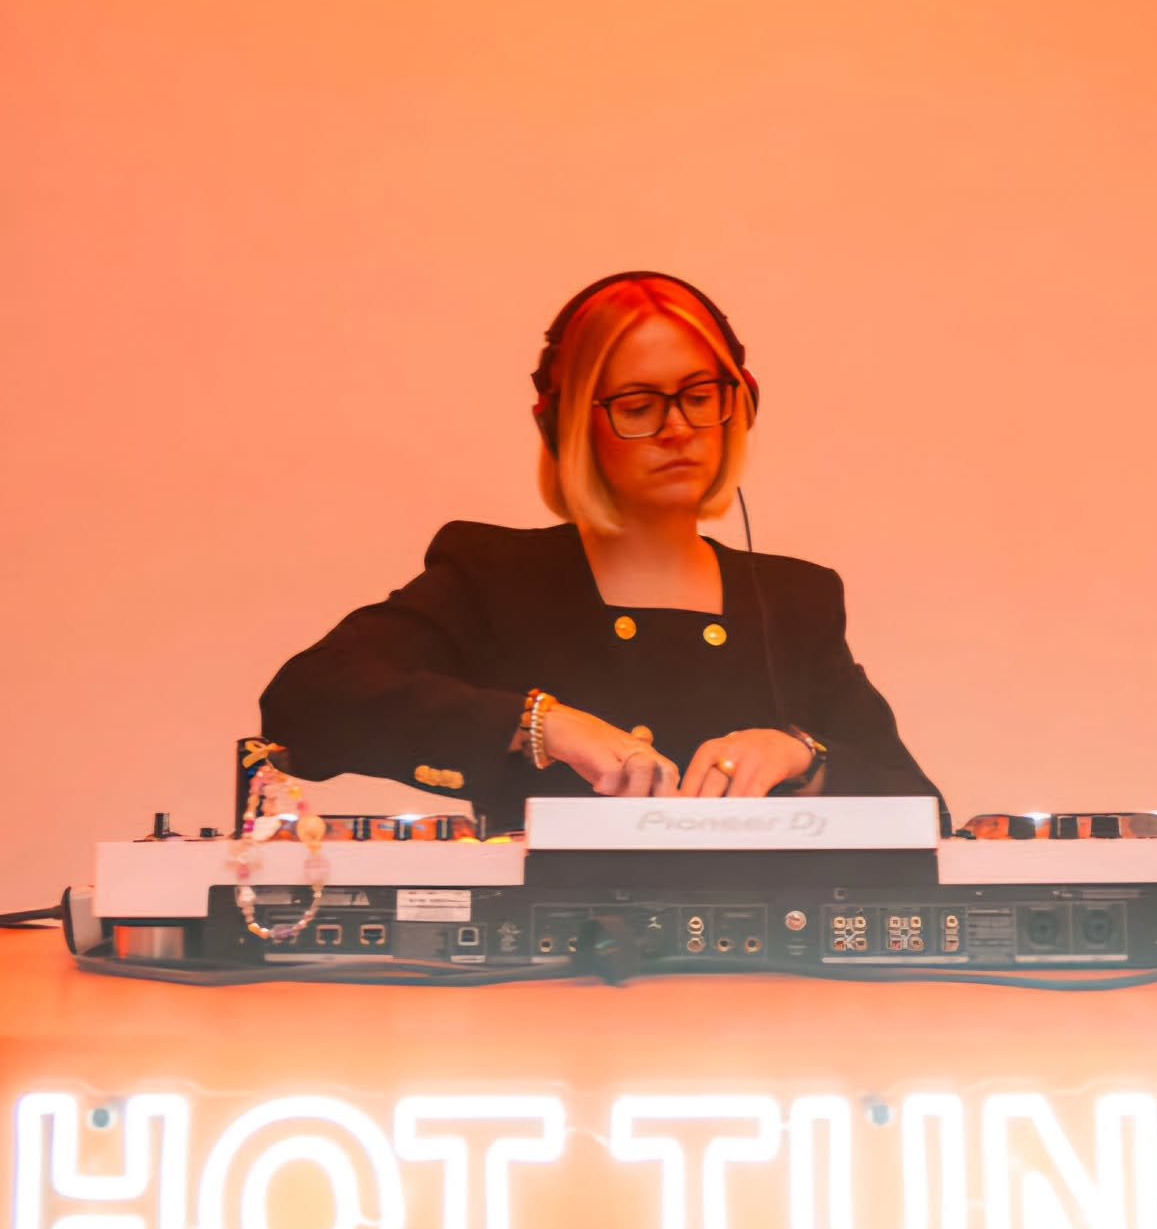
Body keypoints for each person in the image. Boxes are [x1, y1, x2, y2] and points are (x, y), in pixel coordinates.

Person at [259, 273, 945, 833]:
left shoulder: (796, 600)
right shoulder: (497, 576)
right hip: (551, 986)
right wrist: (541, 723)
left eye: (700, 395)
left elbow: (921, 811)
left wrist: (802, 754)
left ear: (740, 404)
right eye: (639, 404)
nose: (678, 428)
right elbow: (308, 698)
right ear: (570, 427)